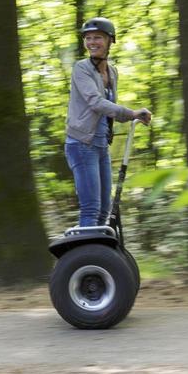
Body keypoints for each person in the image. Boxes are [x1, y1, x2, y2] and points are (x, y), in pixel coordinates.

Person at [65, 17, 151, 227]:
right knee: (91, 209)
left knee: (104, 210)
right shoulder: (81, 68)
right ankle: (86, 257)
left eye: (98, 38)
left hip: (101, 145)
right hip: (82, 145)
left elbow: (108, 109)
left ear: (110, 40)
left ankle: (101, 257)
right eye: (88, 38)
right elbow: (96, 103)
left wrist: (133, 115)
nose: (92, 42)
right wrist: (131, 113)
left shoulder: (112, 72)